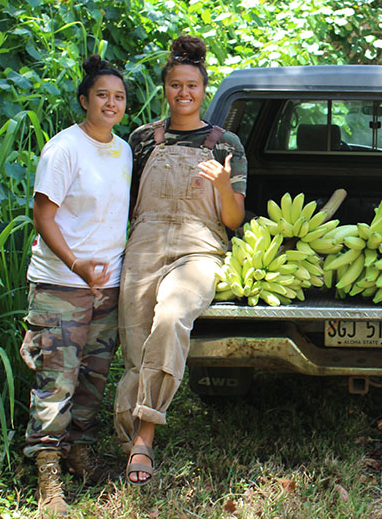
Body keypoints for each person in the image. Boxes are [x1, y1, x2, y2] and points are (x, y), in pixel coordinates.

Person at [114, 35, 247, 485]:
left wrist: (224, 184)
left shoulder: (224, 142)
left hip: (199, 246)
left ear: (203, 90)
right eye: (175, 85)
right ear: (166, 88)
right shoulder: (142, 139)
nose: (184, 93)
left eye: (192, 85)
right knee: (135, 341)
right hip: (145, 243)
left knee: (171, 318)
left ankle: (144, 438)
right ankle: (129, 430)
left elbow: (232, 220)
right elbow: (122, 203)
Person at [21, 55, 131, 515]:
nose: (111, 103)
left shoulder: (123, 150)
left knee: (93, 375)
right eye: (102, 95)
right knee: (56, 379)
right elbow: (43, 215)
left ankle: (79, 454)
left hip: (108, 285)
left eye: (119, 97)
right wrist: (76, 264)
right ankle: (48, 474)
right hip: (62, 283)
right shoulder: (63, 149)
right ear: (84, 100)